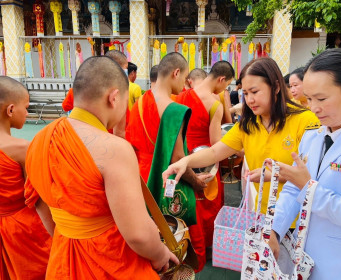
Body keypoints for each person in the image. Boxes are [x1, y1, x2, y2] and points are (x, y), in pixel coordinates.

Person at [24, 56, 178, 279]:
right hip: (110, 260)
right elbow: (137, 235)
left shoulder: (39, 140)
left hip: (62, 256)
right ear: (114, 98)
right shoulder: (115, 149)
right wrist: (159, 254)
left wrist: (70, 234)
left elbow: (39, 205)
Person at [270, 48, 341, 279]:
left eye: (321, 99)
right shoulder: (313, 135)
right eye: (308, 99)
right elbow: (293, 188)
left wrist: (310, 188)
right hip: (305, 262)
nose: (313, 108)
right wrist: (275, 230)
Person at [163, 57, 318, 218]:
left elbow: (314, 174)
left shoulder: (306, 121)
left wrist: (275, 175)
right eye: (245, 93)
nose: (249, 100)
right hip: (264, 214)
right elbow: (215, 152)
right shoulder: (249, 124)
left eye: (255, 92)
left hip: (297, 218)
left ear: (276, 87)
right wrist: (184, 162)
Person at [126, 52, 209, 271]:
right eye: (184, 78)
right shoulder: (174, 110)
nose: (185, 84)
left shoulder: (139, 102)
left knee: (149, 227)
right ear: (176, 73)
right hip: (169, 180)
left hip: (143, 179)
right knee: (179, 233)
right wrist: (197, 182)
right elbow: (178, 158)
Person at [176, 61, 235, 262]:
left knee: (186, 202)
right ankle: (208, 248)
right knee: (208, 206)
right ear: (221, 79)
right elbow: (216, 143)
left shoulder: (179, 98)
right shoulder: (214, 104)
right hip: (207, 160)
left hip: (181, 159)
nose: (224, 89)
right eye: (226, 85)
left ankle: (185, 244)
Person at [0, 77, 52, 279]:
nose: (27, 113)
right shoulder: (22, 148)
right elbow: (38, 198)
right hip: (21, 231)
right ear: (10, 110)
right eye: (26, 107)